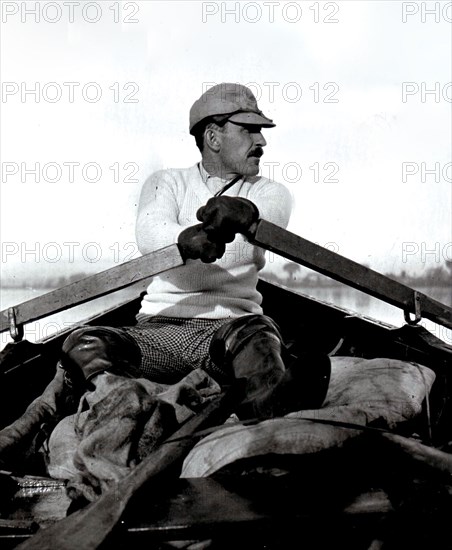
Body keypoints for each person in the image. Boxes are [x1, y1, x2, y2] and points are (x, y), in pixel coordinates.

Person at [0, 83, 330, 474]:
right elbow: (149, 230)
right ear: (213, 137)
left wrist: (243, 211)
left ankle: (271, 411)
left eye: (261, 133)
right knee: (84, 343)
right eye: (249, 131)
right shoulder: (167, 182)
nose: (261, 142)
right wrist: (183, 240)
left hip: (231, 332)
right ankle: (122, 408)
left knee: (260, 337)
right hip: (160, 331)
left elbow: (268, 216)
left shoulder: (270, 191)